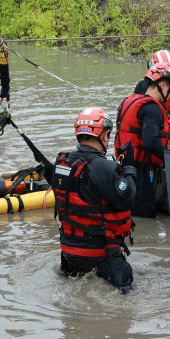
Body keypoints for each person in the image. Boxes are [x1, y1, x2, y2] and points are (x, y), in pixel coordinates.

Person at [52, 108, 137, 293]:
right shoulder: (104, 167)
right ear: (103, 134)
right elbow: (129, 199)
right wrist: (129, 168)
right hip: (101, 255)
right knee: (128, 297)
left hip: (69, 254)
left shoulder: (62, 163)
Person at [115, 62, 170, 217]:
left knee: (130, 210)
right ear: (163, 85)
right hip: (142, 171)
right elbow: (150, 142)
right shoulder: (152, 108)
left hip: (126, 167)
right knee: (145, 213)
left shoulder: (130, 100)